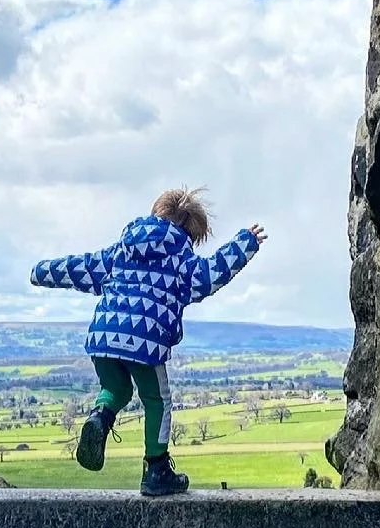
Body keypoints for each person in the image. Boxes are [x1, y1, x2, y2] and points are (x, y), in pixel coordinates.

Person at [31, 188, 267, 497]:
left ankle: (99, 418)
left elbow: (81, 267)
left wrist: (40, 271)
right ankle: (157, 470)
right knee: (158, 399)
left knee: (116, 389)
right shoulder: (180, 258)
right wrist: (245, 242)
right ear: (191, 230)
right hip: (144, 341)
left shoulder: (122, 250)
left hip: (103, 336)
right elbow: (210, 276)